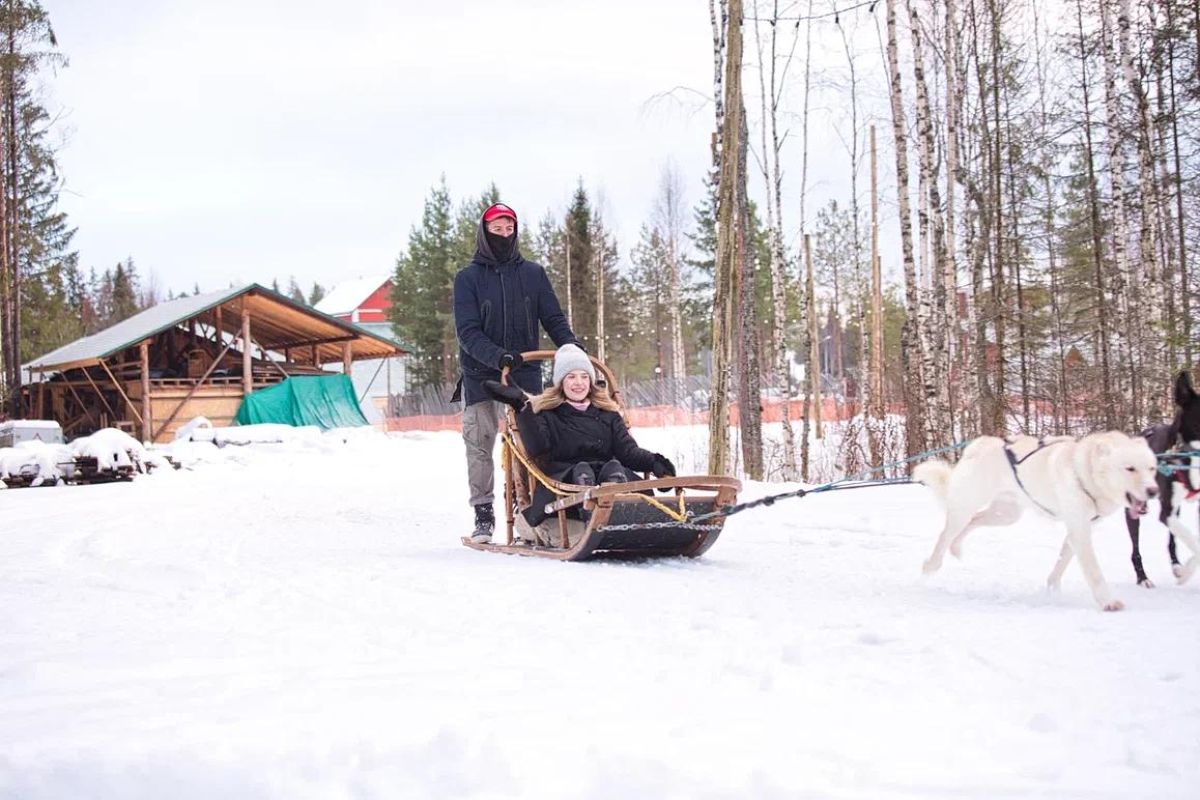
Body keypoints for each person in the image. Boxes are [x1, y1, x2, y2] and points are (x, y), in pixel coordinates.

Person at [453, 202, 581, 543]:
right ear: (485, 232)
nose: (504, 235)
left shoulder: (533, 275)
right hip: (482, 375)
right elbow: (467, 332)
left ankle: (531, 510)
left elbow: (553, 318)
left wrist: (572, 349)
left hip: (524, 374)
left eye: (509, 229)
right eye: (497, 229)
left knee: (534, 444)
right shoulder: (468, 279)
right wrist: (498, 357)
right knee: (480, 443)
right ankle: (483, 513)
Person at [484, 343, 676, 545]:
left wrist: (654, 462)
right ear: (560, 382)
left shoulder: (607, 413)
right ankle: (588, 511)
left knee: (614, 468)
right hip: (563, 482)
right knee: (582, 471)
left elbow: (628, 451)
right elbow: (537, 448)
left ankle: (617, 510)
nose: (579, 383)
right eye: (571, 377)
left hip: (605, 476)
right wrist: (522, 407)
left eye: (584, 376)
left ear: (591, 381)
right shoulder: (548, 413)